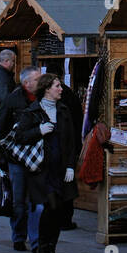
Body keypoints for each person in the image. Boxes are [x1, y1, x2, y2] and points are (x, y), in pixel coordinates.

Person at [11, 72, 77, 253]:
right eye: (57, 85)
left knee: (57, 212)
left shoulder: (64, 111)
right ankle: (41, 251)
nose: (60, 89)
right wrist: (39, 131)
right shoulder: (32, 112)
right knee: (50, 208)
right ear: (47, 89)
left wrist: (71, 166)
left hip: (60, 170)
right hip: (41, 171)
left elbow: (71, 142)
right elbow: (20, 137)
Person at [0, 67, 42, 253]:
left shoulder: (44, 100)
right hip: (16, 159)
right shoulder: (13, 100)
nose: (40, 82)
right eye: (37, 79)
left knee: (36, 202)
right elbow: (0, 129)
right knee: (19, 201)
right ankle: (19, 236)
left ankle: (36, 240)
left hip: (37, 159)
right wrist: (1, 158)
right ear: (26, 83)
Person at [58, 80, 84, 230]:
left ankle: (62, 219)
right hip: (69, 146)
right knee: (67, 183)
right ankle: (65, 220)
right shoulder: (70, 96)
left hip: (66, 147)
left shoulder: (61, 102)